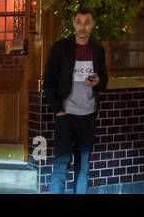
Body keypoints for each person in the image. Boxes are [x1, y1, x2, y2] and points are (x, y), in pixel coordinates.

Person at [43, 10, 108, 194]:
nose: (83, 27)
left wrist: (98, 81)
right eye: (79, 22)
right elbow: (48, 82)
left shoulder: (97, 50)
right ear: (73, 23)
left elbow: (104, 78)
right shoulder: (59, 48)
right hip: (66, 115)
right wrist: (58, 110)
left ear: (93, 24)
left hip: (88, 115)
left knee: (83, 168)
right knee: (61, 166)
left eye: (87, 22)